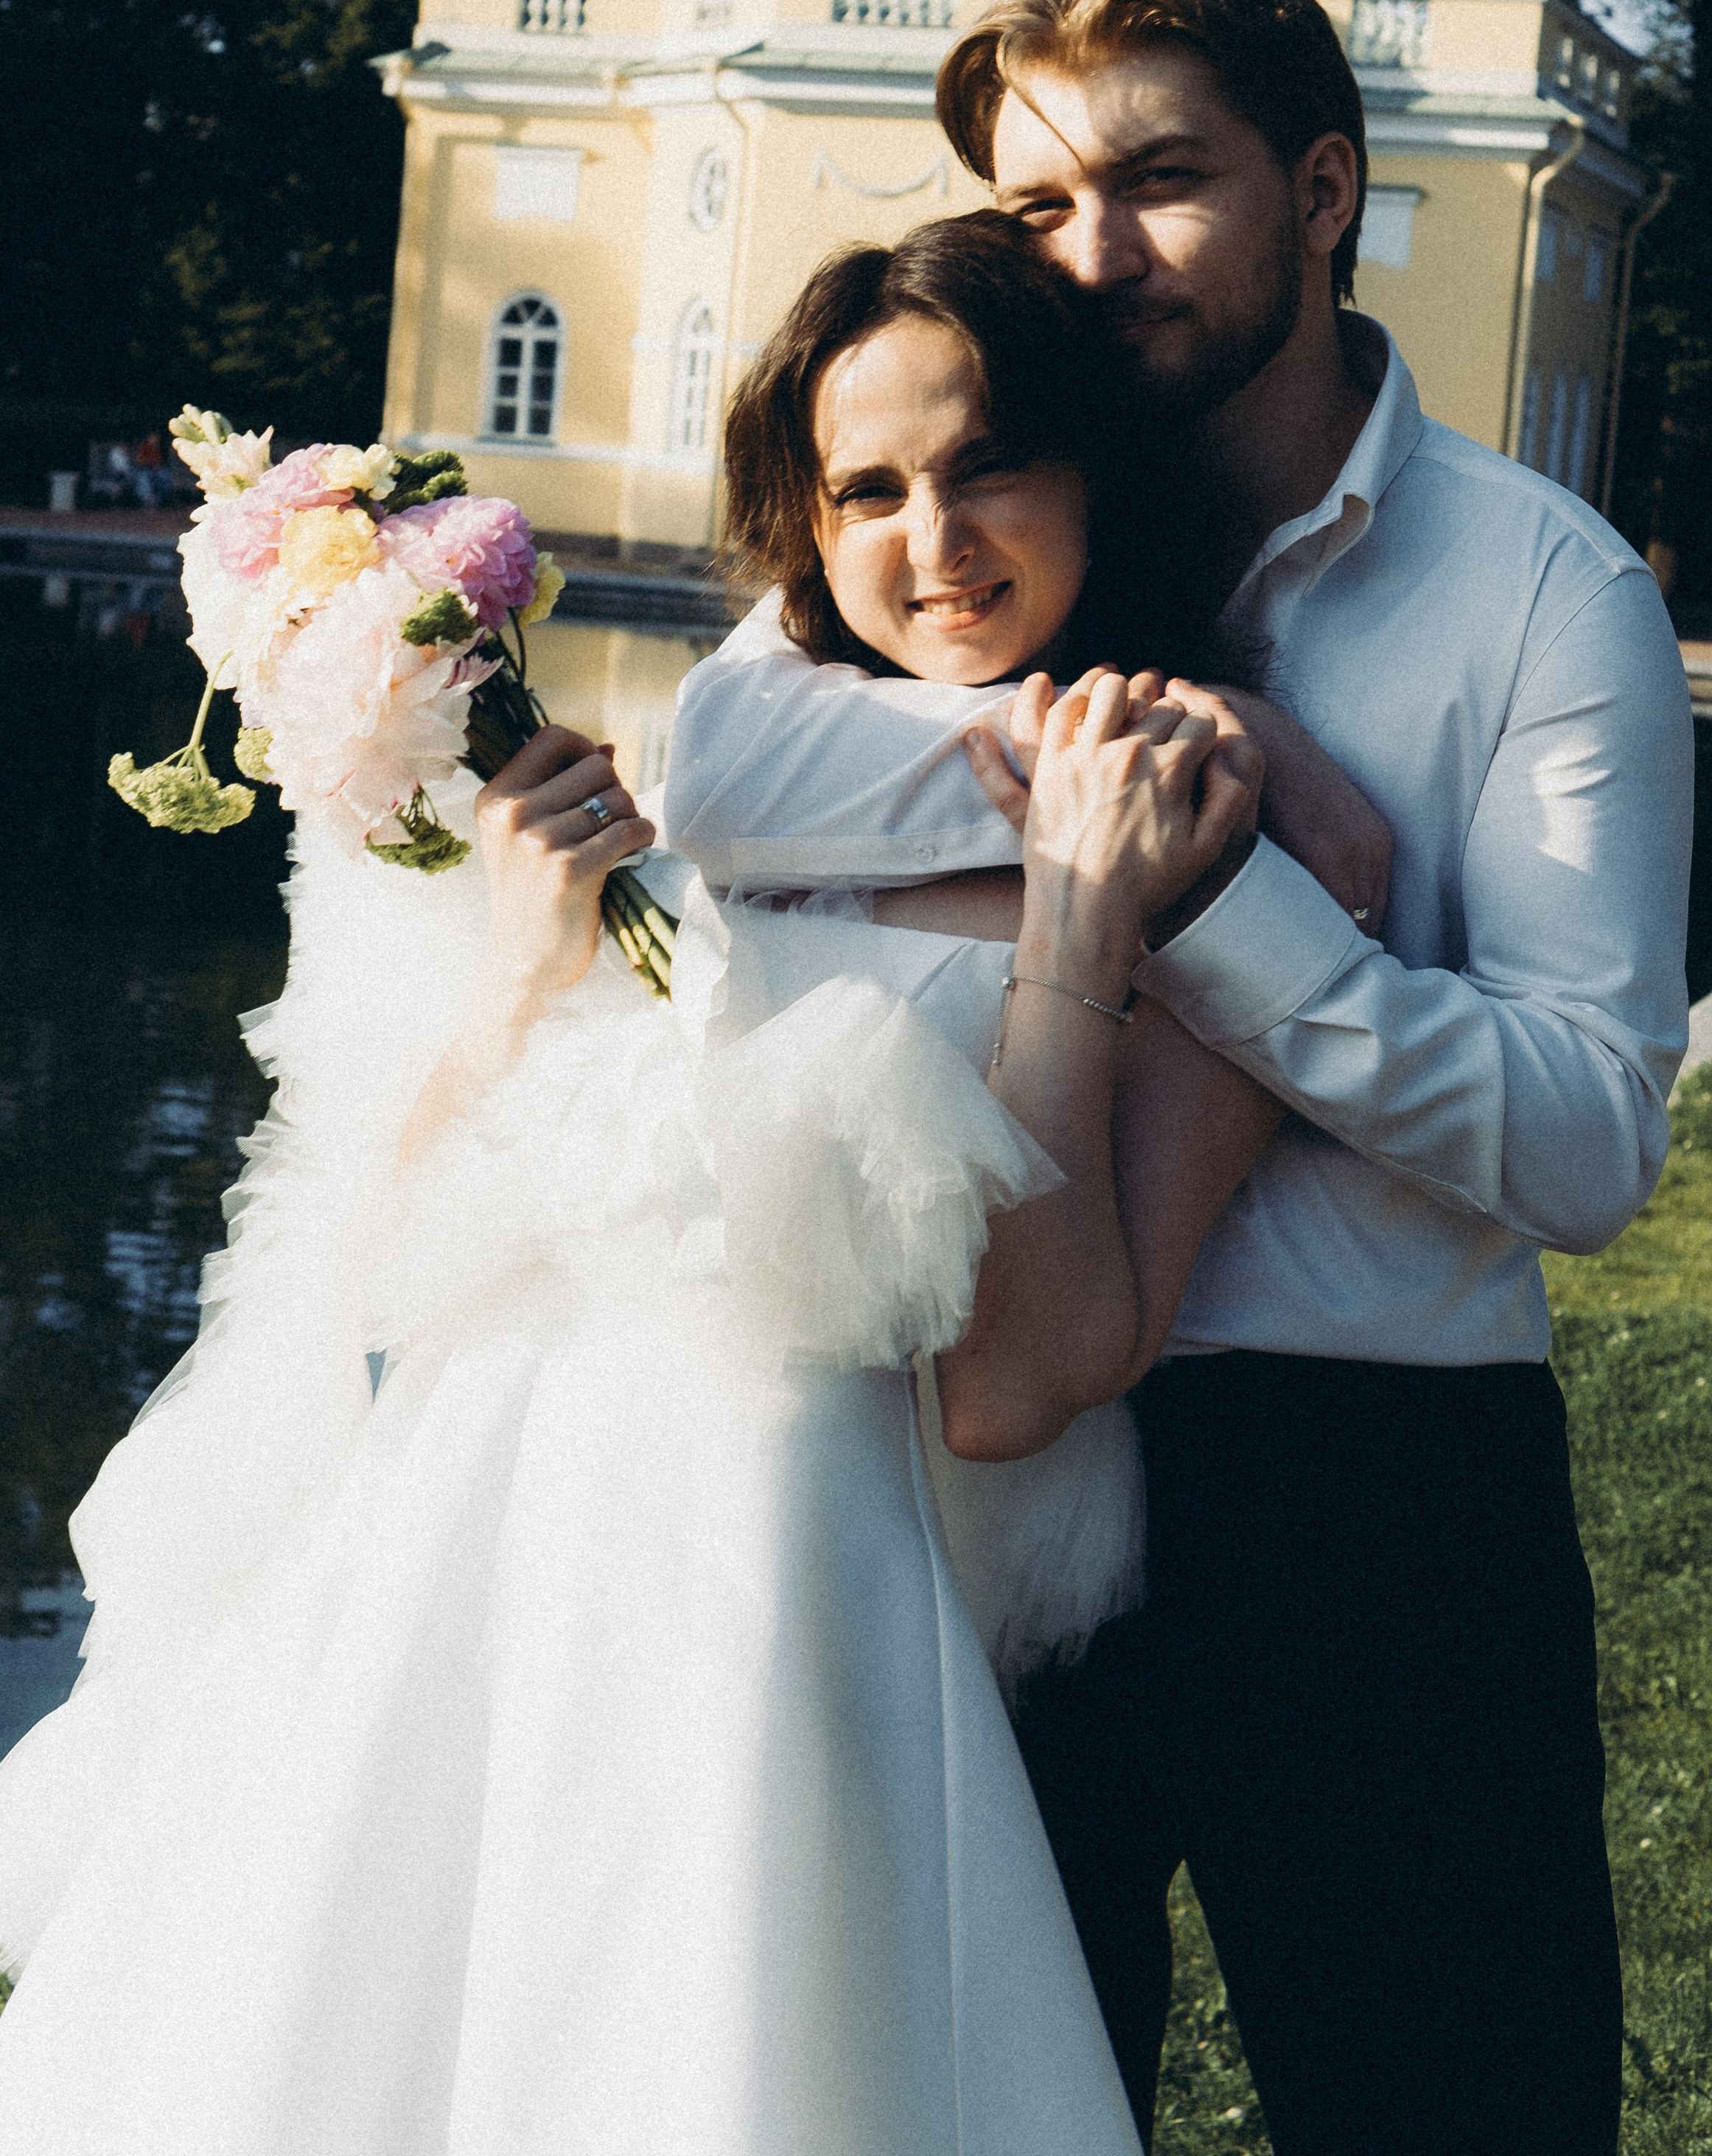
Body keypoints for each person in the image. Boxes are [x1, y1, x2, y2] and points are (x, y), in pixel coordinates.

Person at [0, 220, 1273, 2155]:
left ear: (1095, 471)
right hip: (464, 1571)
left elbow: (1026, 1381)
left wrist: (1079, 931)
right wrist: (536, 948)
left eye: (989, 461)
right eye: (869, 487)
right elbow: (412, 1256)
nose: (934, 540)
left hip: (773, 1616)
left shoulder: (1178, 872)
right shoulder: (738, 832)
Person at [663, 0, 1697, 2156]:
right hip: (986, 1484)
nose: (1094, 254)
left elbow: (1593, 1143)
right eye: (1041, 206)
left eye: (1162, 183)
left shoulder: (1548, 593)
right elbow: (726, 779)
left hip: (1375, 1496)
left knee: (1454, 2114)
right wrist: (1165, 755)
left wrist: (1214, 902)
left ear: (1327, 192)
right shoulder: (971, 489)